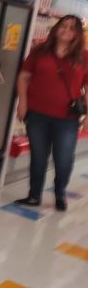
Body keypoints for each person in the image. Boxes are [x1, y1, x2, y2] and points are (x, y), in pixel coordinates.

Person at [15, 14, 88, 211]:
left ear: (77, 34)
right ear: (56, 28)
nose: (66, 30)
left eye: (72, 28)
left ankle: (59, 193)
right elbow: (24, 77)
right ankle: (34, 195)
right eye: (63, 26)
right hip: (37, 114)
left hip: (67, 119)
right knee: (38, 157)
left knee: (63, 159)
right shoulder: (40, 51)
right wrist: (22, 103)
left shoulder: (84, 57)